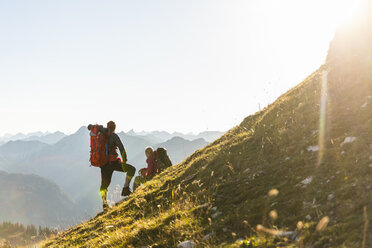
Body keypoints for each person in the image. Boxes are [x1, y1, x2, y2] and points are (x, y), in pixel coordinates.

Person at [88, 121, 136, 211]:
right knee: (131, 169)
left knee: (104, 185)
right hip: (113, 163)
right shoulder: (114, 136)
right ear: (114, 128)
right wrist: (124, 160)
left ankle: (104, 204)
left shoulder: (101, 134)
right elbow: (121, 148)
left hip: (103, 164)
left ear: (107, 126)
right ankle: (125, 188)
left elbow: (90, 127)